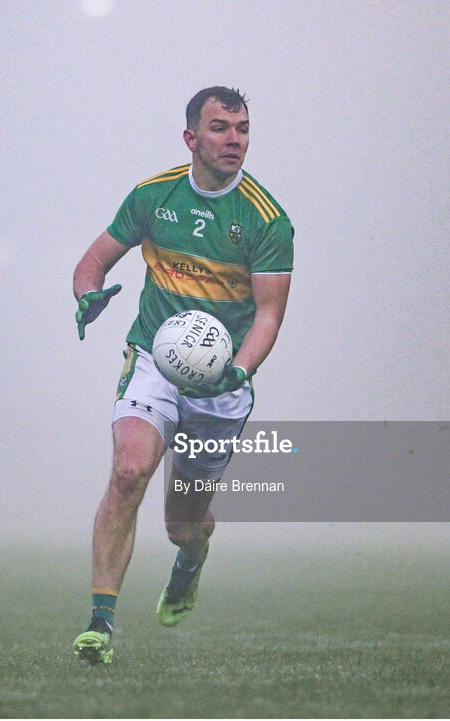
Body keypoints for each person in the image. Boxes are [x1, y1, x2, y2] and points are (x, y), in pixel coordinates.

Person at [71, 86, 294, 665]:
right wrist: (88, 296)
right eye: (220, 128)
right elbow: (92, 262)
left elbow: (269, 315)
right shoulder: (153, 196)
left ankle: (191, 559)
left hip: (221, 388)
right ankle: (101, 623)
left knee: (183, 523)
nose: (235, 140)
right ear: (191, 138)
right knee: (128, 470)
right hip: (153, 361)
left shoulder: (267, 220)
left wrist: (238, 372)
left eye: (242, 128)